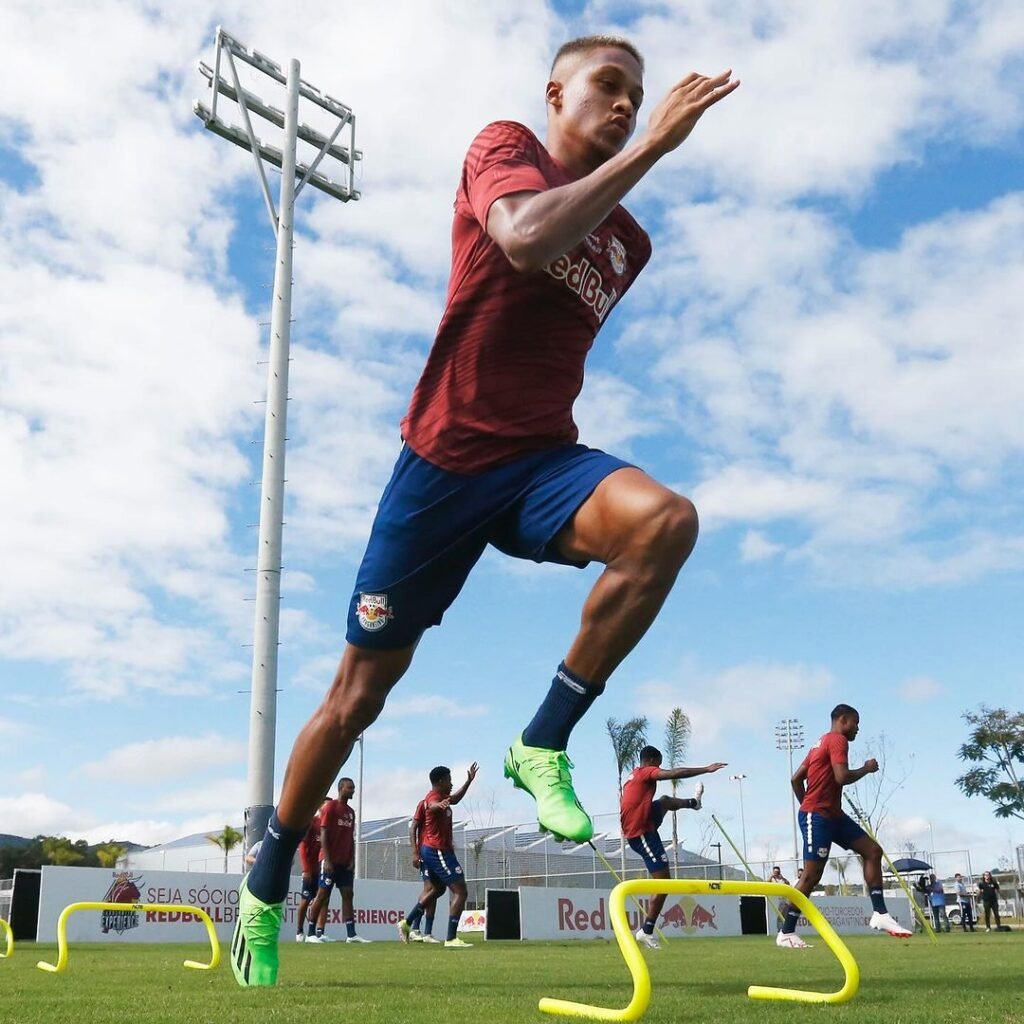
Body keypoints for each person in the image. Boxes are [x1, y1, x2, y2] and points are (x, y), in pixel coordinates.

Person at [232, 33, 742, 987]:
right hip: (443, 466)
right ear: (555, 92)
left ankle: (541, 739)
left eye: (638, 97)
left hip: (540, 462)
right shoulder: (503, 146)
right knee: (357, 699)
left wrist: (633, 167)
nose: (626, 105)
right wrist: (652, 149)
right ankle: (265, 881)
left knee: (665, 522)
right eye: (608, 86)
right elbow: (523, 239)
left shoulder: (629, 242)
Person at [776, 704, 912, 948]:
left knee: (873, 851)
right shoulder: (837, 740)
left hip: (833, 815)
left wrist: (809, 804)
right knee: (811, 876)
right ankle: (786, 932)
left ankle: (880, 913)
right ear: (843, 719)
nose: (857, 728)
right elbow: (842, 776)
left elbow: (796, 779)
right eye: (856, 723)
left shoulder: (820, 743)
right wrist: (866, 769)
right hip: (818, 816)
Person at [620, 745, 726, 949]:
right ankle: (646, 930)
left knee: (664, 801)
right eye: (659, 764)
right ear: (652, 761)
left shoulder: (634, 775)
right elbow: (675, 773)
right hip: (641, 834)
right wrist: (706, 769)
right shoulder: (646, 772)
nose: (660, 768)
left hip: (644, 821)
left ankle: (694, 803)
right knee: (664, 883)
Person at [398, 763, 478, 949]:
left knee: (438, 889)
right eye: (449, 780)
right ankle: (451, 938)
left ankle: (407, 923)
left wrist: (468, 782)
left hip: (437, 849)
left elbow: (455, 799)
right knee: (460, 891)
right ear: (441, 781)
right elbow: (431, 806)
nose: (451, 783)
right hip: (437, 850)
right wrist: (414, 851)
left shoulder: (444, 798)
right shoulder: (433, 798)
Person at [305, 778, 370, 945]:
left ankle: (351, 934)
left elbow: (350, 838)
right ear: (341, 788)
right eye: (350, 788)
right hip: (329, 862)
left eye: (353, 788)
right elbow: (324, 833)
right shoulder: (331, 807)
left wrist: (352, 859)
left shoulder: (351, 812)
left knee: (348, 894)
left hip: (345, 863)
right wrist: (327, 860)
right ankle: (310, 933)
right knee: (322, 894)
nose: (353, 790)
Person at [396, 793, 444, 944]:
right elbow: (413, 829)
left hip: (439, 854)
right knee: (430, 888)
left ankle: (427, 932)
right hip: (426, 852)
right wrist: (415, 851)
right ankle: (414, 928)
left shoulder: (443, 808)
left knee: (436, 890)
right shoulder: (424, 804)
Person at [294, 807, 322, 943]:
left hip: (321, 870)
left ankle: (316, 932)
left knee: (320, 900)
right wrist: (306, 869)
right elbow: (302, 846)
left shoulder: (326, 825)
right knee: (305, 900)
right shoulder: (312, 821)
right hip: (309, 871)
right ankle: (299, 930)